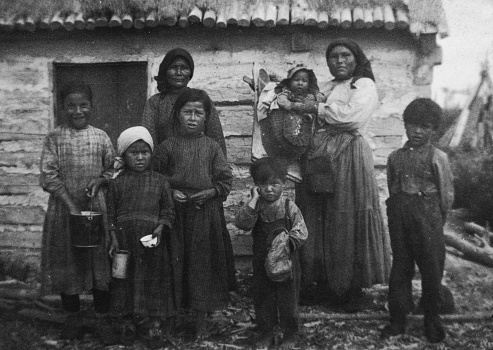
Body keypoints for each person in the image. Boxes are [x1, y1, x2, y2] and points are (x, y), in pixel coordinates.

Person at [289, 38, 391, 310]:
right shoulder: (327, 87)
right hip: (322, 156)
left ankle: (350, 288)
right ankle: (324, 284)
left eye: (345, 55)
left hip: (348, 156)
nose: (339, 61)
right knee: (320, 217)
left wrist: (316, 108)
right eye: (333, 57)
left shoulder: (364, 85)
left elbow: (350, 118)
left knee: (346, 216)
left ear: (356, 58)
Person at [141, 47, 236, 291]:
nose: (179, 72)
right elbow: (148, 142)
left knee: (202, 250)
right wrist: (159, 186)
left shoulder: (200, 99)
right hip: (169, 181)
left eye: (184, 68)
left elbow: (216, 141)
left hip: (200, 185)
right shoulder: (156, 103)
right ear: (164, 70)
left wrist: (214, 182)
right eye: (174, 67)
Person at [39, 82, 116, 344]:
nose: (77, 110)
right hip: (64, 212)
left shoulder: (101, 137)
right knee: (67, 263)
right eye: (71, 105)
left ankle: (102, 317)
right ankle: (72, 317)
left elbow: (112, 168)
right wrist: (71, 207)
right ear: (63, 107)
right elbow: (49, 176)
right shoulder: (55, 138)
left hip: (96, 210)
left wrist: (102, 181)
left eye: (83, 105)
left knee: (99, 261)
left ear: (92, 106)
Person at [153, 89, 233, 339]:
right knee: (172, 265)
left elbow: (225, 179)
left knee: (201, 267)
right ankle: (169, 319)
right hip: (174, 216)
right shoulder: (167, 147)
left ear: (206, 118)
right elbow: (154, 178)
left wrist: (210, 192)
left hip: (203, 215)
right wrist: (171, 190)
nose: (192, 118)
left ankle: (200, 322)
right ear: (177, 115)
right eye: (187, 112)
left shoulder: (211, 147)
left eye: (199, 113)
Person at [381, 98, 454, 343]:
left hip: (428, 217)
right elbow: (393, 188)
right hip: (401, 216)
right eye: (412, 125)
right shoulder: (394, 157)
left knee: (431, 270)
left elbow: (446, 196)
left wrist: (435, 221)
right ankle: (398, 320)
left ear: (434, 129)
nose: (417, 131)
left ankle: (431, 319)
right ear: (405, 126)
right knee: (400, 268)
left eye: (424, 126)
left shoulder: (438, 157)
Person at [106, 126, 175, 348]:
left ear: (151, 154)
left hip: (150, 242)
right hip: (125, 241)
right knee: (124, 280)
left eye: (144, 152)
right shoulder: (117, 182)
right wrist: (113, 238)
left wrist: (161, 227)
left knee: (152, 279)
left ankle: (152, 325)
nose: (139, 157)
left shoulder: (160, 180)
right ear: (124, 155)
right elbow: (111, 214)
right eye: (133, 152)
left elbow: (168, 210)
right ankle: (126, 323)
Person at [235, 158, 308, 350]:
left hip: (286, 261)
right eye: (264, 184)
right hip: (262, 261)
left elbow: (301, 230)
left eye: (274, 184)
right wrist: (252, 200)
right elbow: (242, 223)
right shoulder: (256, 206)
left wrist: (287, 245)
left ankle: (290, 334)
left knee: (288, 299)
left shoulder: (288, 206)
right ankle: (266, 332)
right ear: (257, 186)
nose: (269, 189)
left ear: (283, 184)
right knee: (263, 297)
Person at [258, 64, 324, 163]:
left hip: (304, 129)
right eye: (296, 80)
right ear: (289, 81)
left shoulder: (309, 95)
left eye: (304, 81)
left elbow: (321, 99)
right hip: (288, 126)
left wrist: (314, 98)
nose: (300, 83)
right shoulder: (287, 92)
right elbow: (281, 100)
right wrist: (292, 105)